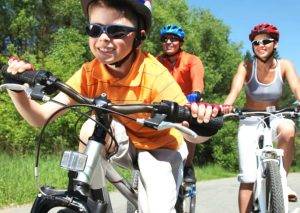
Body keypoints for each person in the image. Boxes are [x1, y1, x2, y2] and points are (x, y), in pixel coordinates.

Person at [4, 0, 220, 212]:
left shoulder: (155, 74)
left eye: (116, 31)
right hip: (122, 142)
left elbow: (192, 133)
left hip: (160, 149)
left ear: (140, 37)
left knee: (157, 207)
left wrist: (202, 119)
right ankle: (96, 202)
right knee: (90, 128)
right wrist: (17, 89)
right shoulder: (90, 72)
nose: (103, 39)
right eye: (94, 29)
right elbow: (41, 117)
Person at [223, 23, 300, 212]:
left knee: (289, 129)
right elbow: (236, 88)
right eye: (256, 42)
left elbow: (297, 87)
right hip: (250, 120)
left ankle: (281, 180)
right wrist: (227, 105)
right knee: (248, 178)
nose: (261, 45)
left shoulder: (285, 65)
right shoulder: (246, 65)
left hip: (275, 117)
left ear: (276, 44)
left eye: (266, 41)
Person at [157, 24, 206, 183]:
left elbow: (197, 80)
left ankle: (188, 166)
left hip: (186, 102)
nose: (169, 42)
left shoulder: (191, 60)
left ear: (181, 43)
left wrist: (196, 93)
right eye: (165, 39)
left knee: (188, 125)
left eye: (173, 39)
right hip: (164, 103)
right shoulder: (158, 61)